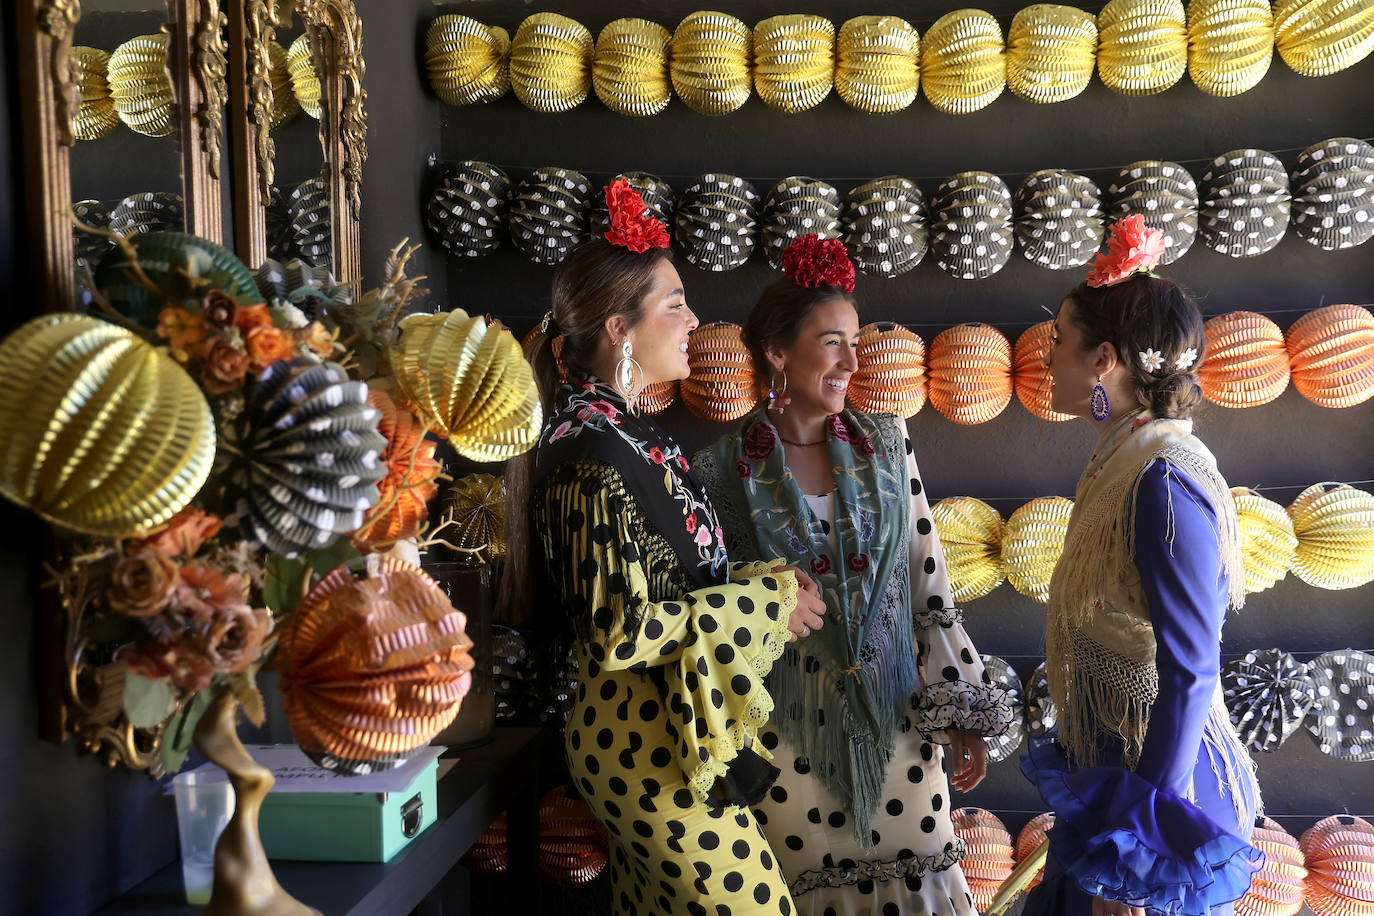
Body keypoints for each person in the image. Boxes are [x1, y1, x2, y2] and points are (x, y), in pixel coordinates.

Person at [507, 180, 829, 916]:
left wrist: (762, 580)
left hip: (664, 738)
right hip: (642, 748)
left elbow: (669, 587)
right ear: (620, 329)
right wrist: (762, 601)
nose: (694, 320)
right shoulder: (590, 451)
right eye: (675, 303)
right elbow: (621, 631)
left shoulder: (623, 435)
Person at [694, 235, 1014, 916]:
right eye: (833, 342)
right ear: (779, 354)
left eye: (856, 342)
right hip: (784, 747)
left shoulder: (891, 446)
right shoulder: (719, 472)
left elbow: (928, 583)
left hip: (901, 729)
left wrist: (960, 707)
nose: (853, 360)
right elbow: (710, 607)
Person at [1021, 214, 1264, 916]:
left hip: (1164, 812)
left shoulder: (1164, 481)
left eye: (1058, 342)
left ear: (1103, 361)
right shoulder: (1125, 462)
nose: (1046, 360)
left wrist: (1143, 856)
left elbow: (1190, 672)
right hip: (1122, 781)